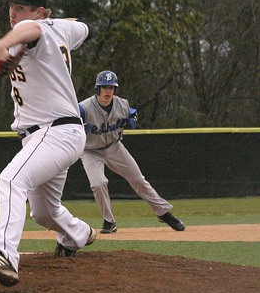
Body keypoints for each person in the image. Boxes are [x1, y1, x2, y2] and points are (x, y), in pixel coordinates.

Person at [0, 0, 96, 287]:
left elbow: (32, 31)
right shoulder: (60, 28)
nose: (12, 12)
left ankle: (4, 256)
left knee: (11, 180)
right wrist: (64, 22)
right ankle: (78, 234)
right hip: (46, 136)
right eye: (11, 6)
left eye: (20, 7)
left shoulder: (38, 30)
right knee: (43, 213)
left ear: (38, 12)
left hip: (56, 132)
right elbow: (85, 27)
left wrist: (1, 45)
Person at [79, 70, 186, 234]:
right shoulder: (84, 108)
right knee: (98, 183)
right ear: (97, 89)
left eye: (111, 87)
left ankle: (163, 213)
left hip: (114, 147)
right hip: (90, 151)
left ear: (115, 90)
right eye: (104, 87)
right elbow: (69, 122)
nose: (108, 91)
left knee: (138, 180)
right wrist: (78, 129)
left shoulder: (122, 104)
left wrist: (132, 118)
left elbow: (131, 113)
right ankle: (109, 221)